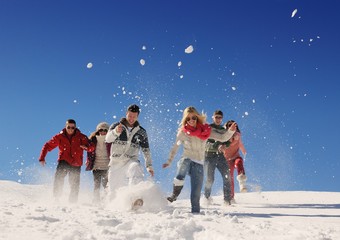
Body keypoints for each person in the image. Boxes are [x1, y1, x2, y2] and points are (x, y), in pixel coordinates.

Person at [162, 106, 236, 213]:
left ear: (197, 118)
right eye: (188, 119)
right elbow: (175, 148)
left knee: (196, 195)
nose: (191, 121)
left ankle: (195, 216)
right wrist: (169, 161)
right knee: (183, 165)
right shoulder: (183, 132)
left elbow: (222, 138)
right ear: (185, 120)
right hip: (187, 159)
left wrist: (230, 132)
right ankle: (174, 194)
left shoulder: (206, 131)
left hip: (199, 163)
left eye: (193, 118)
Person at [105, 104, 154, 205]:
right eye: (130, 116)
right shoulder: (116, 126)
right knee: (113, 192)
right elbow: (108, 139)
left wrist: (149, 165)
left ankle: (135, 198)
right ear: (126, 113)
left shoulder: (141, 132)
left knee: (136, 167)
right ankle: (112, 210)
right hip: (116, 162)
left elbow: (146, 150)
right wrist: (115, 132)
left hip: (130, 160)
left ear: (137, 116)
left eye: (134, 116)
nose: (131, 119)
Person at [39, 119, 93, 203]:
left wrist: (87, 148)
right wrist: (42, 158)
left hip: (76, 163)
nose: (71, 129)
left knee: (74, 183)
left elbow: (92, 146)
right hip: (64, 160)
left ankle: (72, 202)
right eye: (69, 127)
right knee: (59, 177)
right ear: (65, 127)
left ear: (75, 128)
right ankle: (56, 198)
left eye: (73, 128)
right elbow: (47, 145)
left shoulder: (81, 137)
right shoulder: (60, 136)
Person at [204, 110, 233, 205]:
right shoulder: (209, 128)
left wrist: (225, 145)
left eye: (220, 118)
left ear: (222, 119)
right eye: (216, 117)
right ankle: (206, 198)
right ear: (213, 117)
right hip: (209, 156)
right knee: (210, 179)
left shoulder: (223, 130)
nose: (218, 119)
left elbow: (227, 140)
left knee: (227, 176)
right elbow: (206, 141)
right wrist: (217, 145)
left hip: (220, 156)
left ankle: (227, 200)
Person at [220, 120, 247, 203]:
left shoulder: (237, 135)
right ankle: (231, 197)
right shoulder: (224, 136)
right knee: (229, 178)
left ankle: (242, 183)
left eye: (234, 126)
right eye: (230, 125)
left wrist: (244, 151)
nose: (232, 127)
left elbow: (240, 144)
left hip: (235, 157)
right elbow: (221, 144)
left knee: (239, 162)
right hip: (227, 160)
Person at [85, 122, 111, 204]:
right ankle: (96, 200)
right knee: (96, 185)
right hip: (96, 166)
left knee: (106, 185)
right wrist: (88, 160)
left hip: (107, 167)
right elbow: (90, 152)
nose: (103, 132)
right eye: (101, 130)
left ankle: (108, 200)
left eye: (105, 130)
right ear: (97, 131)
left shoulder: (110, 141)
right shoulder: (93, 139)